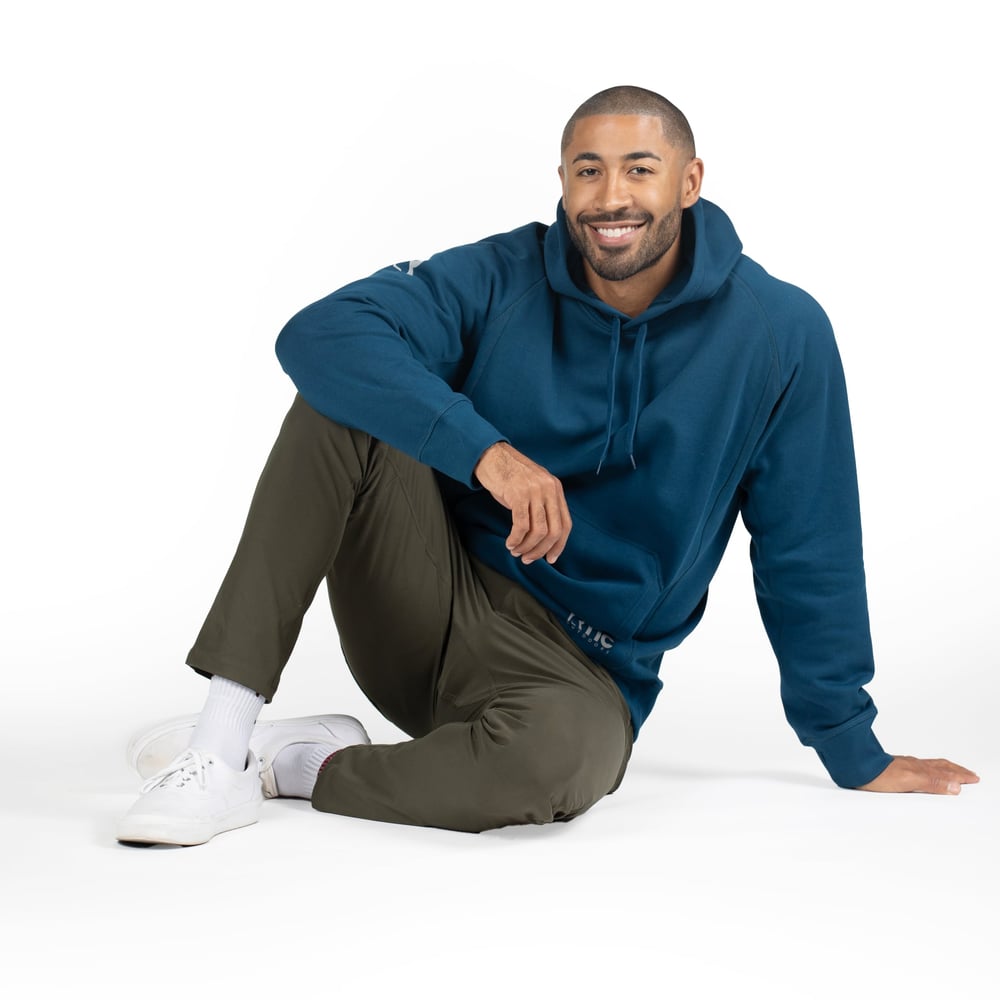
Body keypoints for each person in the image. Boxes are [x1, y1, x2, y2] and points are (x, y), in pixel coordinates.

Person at [117, 85, 978, 846]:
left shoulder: (780, 333)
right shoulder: (502, 277)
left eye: (639, 170)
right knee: (343, 393)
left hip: (580, 673)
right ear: (563, 182)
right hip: (428, 601)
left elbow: (808, 543)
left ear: (689, 182)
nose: (611, 197)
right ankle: (217, 748)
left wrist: (850, 744)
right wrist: (487, 455)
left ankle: (299, 765)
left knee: (555, 767)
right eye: (587, 171)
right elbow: (320, 333)